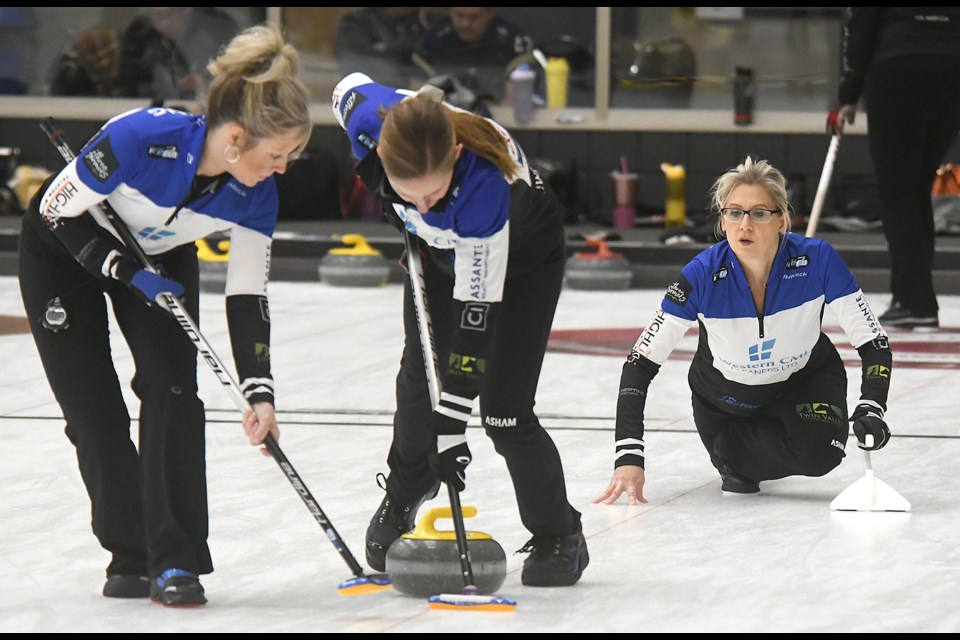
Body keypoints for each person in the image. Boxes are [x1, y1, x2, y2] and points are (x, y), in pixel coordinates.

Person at [18, 24, 311, 606]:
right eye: (276, 155)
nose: (281, 169)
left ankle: (176, 559)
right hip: (66, 249)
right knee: (94, 412)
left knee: (174, 390)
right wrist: (125, 272)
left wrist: (261, 391)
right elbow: (56, 207)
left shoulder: (257, 194)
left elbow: (248, 292)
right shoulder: (140, 139)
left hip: (160, 255)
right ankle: (130, 551)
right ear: (234, 140)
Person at [331, 72, 588, 587]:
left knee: (504, 411)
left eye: (433, 194)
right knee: (418, 384)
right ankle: (406, 491)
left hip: (522, 264)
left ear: (453, 160)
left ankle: (560, 534)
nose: (422, 204)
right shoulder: (365, 118)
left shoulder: (487, 187)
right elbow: (346, 84)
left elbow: (476, 322)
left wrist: (453, 427)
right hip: (437, 252)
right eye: (411, 195)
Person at [593, 157, 893, 505]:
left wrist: (872, 404)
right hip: (727, 402)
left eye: (758, 213)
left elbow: (874, 342)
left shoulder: (818, 260)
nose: (744, 224)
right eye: (734, 212)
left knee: (822, 453)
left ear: (782, 220)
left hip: (803, 378)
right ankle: (731, 454)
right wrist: (629, 455)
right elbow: (639, 363)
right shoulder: (701, 274)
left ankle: (758, 449)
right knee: (738, 463)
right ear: (723, 220)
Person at [829, 8, 960, 329]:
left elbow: (859, 27)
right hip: (951, 70)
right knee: (915, 190)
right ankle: (914, 297)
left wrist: (848, 94)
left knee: (898, 192)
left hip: (898, 68)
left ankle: (914, 300)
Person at [116, 7, 240, 101]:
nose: (165, 23)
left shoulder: (219, 31)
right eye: (157, 16)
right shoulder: (140, 35)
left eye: (171, 14)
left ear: (187, 10)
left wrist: (207, 88)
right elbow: (128, 90)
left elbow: (237, 87)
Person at [416, 7, 532, 103]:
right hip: (444, 117)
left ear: (491, 13)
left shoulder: (513, 41)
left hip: (498, 119)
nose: (465, 24)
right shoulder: (432, 40)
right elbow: (417, 95)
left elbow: (516, 101)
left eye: (474, 17)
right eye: (459, 16)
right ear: (450, 11)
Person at [334, 8, 434, 90]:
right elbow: (354, 68)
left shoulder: (425, 21)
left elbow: (439, 67)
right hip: (373, 101)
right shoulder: (355, 23)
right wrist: (406, 84)